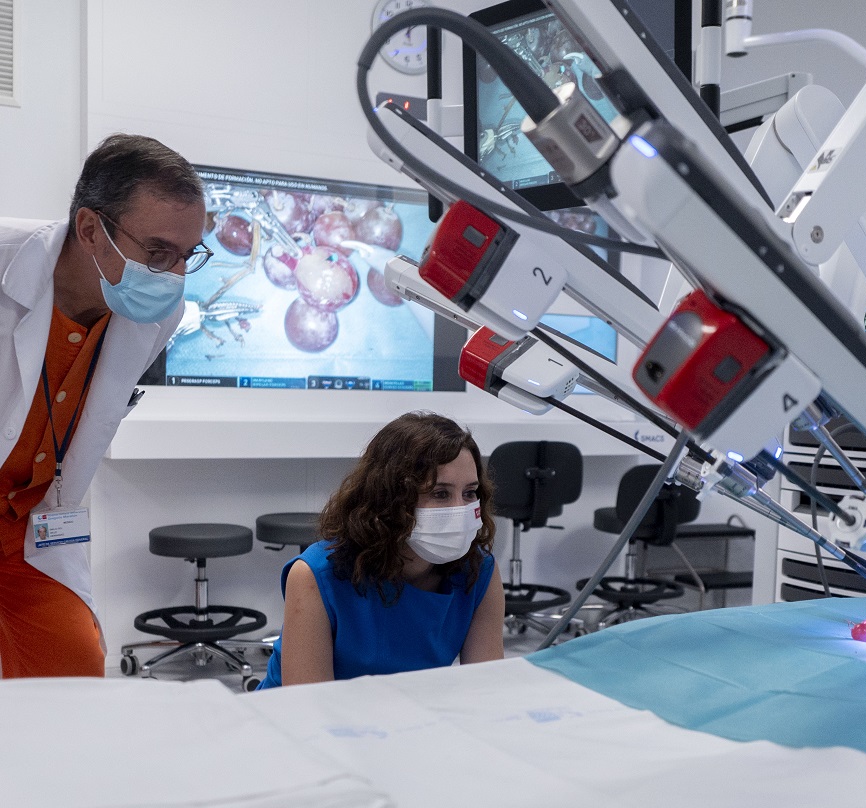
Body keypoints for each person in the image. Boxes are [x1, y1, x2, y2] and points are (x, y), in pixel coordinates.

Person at [0, 134, 207, 678]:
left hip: (27, 525)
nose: (174, 275)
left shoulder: (155, 311)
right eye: (157, 252)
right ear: (90, 229)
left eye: (188, 256)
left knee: (74, 667)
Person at [257, 412, 505, 688]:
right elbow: (306, 710)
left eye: (470, 493)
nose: (460, 508)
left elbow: (486, 694)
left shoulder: (477, 571)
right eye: (440, 493)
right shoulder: (318, 575)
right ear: (391, 499)